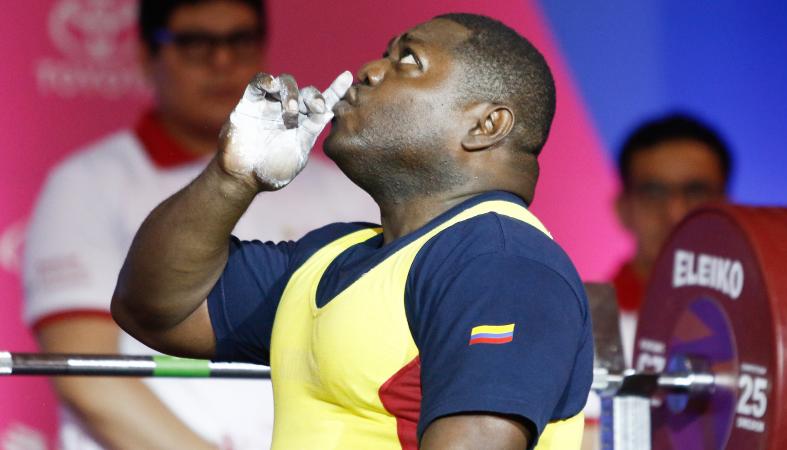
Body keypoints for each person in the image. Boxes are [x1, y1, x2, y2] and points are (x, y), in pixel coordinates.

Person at [111, 13, 593, 450]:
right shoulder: (329, 256)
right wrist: (231, 178)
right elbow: (155, 310)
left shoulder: (501, 262)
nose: (368, 69)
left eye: (407, 59)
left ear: (486, 124)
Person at [23, 0, 376, 449]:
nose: (222, 61)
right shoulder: (87, 183)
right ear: (146, 57)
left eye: (239, 41)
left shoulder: (346, 191)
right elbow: (89, 377)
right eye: (194, 44)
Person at [612, 113, 731, 366]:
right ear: (623, 208)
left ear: (728, 207)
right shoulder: (583, 325)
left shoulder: (769, 321)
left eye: (696, 191)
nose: (675, 213)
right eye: (654, 192)